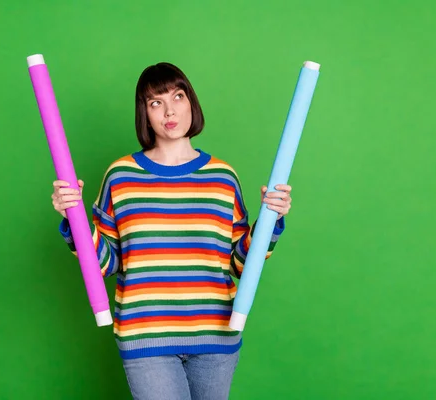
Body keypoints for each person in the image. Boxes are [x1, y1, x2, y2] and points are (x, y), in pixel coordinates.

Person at [50, 62, 292, 400]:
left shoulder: (223, 177)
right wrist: (72, 220)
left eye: (177, 96)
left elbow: (238, 263)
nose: (169, 110)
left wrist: (271, 222)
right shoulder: (120, 176)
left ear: (191, 101)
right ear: (145, 115)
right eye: (155, 102)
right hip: (146, 336)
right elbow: (107, 263)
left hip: (216, 337)